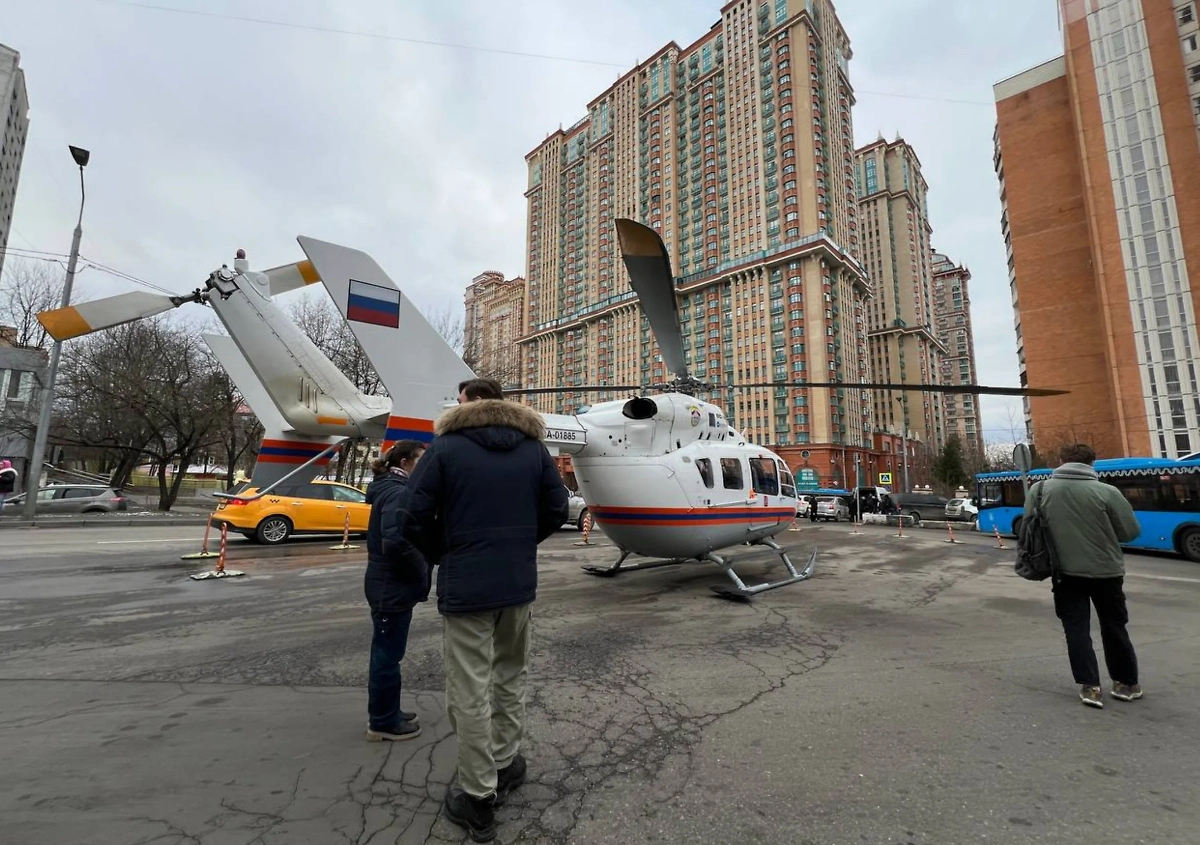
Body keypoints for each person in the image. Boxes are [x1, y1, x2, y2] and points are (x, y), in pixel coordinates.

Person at [402, 377, 569, 842]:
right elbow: (557, 507)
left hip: (467, 588)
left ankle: (478, 797)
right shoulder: (534, 449)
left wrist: (447, 551)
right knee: (510, 676)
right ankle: (505, 762)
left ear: (471, 403)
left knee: (470, 686)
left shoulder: (446, 448)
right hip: (517, 585)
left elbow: (412, 515)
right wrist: (516, 545)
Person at [1025, 443, 1143, 709]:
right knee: (1114, 626)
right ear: (1093, 463)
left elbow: (1029, 527)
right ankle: (1126, 683)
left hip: (1064, 573)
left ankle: (1090, 687)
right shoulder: (1107, 492)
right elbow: (1129, 532)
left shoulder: (1039, 490)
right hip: (1107, 572)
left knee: (1076, 629)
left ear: (1060, 460)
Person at [363, 439, 429, 742]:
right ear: (404, 463)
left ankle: (389, 711)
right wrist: (421, 568)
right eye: (421, 461)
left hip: (387, 582)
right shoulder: (398, 493)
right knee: (387, 656)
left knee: (389, 653)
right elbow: (395, 540)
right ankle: (383, 722)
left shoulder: (390, 488)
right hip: (391, 584)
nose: (425, 467)